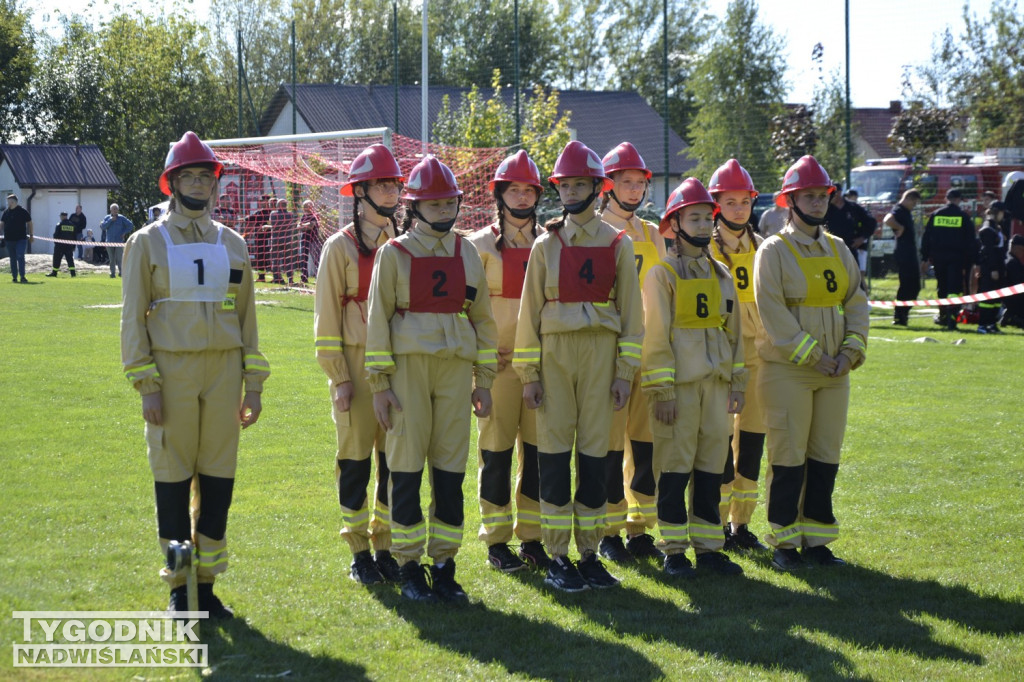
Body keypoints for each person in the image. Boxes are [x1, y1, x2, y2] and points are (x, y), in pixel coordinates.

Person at [120, 131, 270, 617]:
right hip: (172, 371)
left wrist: (253, 384)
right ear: (172, 182)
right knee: (172, 480)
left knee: (218, 480)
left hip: (224, 372)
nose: (200, 185)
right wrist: (147, 385)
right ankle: (178, 588)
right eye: (190, 176)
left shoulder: (233, 243)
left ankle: (205, 587)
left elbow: (246, 316)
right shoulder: (146, 242)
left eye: (207, 177)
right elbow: (131, 318)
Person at [365, 155, 497, 602]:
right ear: (415, 208)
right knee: (405, 465)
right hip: (408, 371)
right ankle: (407, 566)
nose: (444, 211)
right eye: (434, 204)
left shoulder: (467, 253)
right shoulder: (394, 253)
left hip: (456, 371)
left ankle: (444, 565)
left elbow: (482, 318)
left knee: (449, 467)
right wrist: (380, 386)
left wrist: (485, 380)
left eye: (449, 204)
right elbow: (377, 321)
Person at [513, 140, 643, 592]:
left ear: (596, 187)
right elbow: (528, 314)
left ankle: (589, 553)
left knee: (595, 456)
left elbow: (633, 316)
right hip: (555, 359)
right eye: (563, 185)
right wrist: (528, 376)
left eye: (578, 184)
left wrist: (625, 374)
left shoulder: (618, 244)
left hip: (602, 359)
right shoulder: (546, 245)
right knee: (552, 455)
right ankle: (556, 556)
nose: (569, 192)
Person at [753, 155, 869, 571]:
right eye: (809, 196)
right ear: (790, 200)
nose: (818, 203)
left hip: (835, 371)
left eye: (822, 196)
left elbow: (856, 301)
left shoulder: (838, 249)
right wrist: (815, 356)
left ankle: (817, 541)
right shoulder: (773, 250)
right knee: (788, 455)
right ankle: (784, 542)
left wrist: (849, 353)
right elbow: (773, 312)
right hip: (789, 371)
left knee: (824, 455)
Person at [643, 177, 747, 579]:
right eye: (694, 218)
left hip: (717, 388)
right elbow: (655, 337)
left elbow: (734, 333)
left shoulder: (722, 275)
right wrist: (663, 390)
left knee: (710, 467)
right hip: (679, 391)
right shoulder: (662, 275)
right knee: (673, 467)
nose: (704, 225)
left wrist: (737, 384)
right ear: (675, 223)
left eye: (708, 218)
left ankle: (708, 549)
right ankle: (672, 552)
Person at [315, 144, 405, 585]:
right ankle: (358, 550)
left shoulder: (405, 244)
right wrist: (339, 377)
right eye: (381, 184)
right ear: (361, 191)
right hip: (354, 365)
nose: (390, 191)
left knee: (392, 460)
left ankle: (384, 544)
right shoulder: (339, 248)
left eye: (394, 184)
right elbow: (326, 319)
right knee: (354, 460)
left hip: (397, 370)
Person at [467, 150, 549, 574]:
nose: (521, 197)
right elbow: (465, 311)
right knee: (495, 454)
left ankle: (532, 538)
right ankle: (496, 540)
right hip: (496, 369)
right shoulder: (477, 246)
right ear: (499, 195)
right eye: (512, 189)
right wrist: (481, 361)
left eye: (528, 190)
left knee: (536, 455)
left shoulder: (551, 244)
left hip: (541, 371)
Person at [597, 142, 666, 565]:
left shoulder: (655, 234)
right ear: (608, 186)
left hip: (650, 354)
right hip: (607, 355)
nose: (635, 189)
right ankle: (608, 530)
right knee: (608, 446)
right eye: (627, 182)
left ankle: (639, 529)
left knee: (645, 446)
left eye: (640, 183)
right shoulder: (595, 230)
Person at [707, 159, 768, 553]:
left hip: (760, 357)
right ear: (716, 206)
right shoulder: (704, 248)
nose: (739, 210)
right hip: (719, 358)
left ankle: (740, 526)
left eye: (744, 202)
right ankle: (713, 519)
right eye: (730, 202)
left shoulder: (764, 248)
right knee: (718, 440)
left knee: (752, 441)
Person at [921, 188, 976, 330]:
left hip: (938, 258)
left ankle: (943, 315)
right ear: (958, 200)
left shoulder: (936, 214)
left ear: (946, 198)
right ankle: (952, 318)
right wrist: (972, 261)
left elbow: (926, 238)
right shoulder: (963, 216)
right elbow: (970, 241)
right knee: (955, 289)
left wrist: (925, 257)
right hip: (957, 258)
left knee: (942, 287)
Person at [883, 189, 922, 326]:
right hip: (904, 253)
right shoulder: (899, 209)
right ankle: (899, 315)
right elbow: (887, 219)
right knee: (907, 284)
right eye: (914, 202)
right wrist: (900, 228)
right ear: (909, 199)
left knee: (914, 285)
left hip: (909, 252)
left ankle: (904, 313)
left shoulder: (905, 211)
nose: (914, 205)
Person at [825, 183, 876, 282]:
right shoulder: (826, 209)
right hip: (831, 250)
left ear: (839, 193)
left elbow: (871, 222)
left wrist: (862, 238)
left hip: (850, 248)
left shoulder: (853, 207)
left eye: (833, 194)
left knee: (854, 280)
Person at [976, 202, 1008, 334]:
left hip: (998, 265)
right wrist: (994, 269)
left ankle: (991, 323)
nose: (1003, 215)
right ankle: (983, 325)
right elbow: (988, 251)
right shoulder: (988, 228)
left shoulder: (996, 227)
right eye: (1002, 213)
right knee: (987, 298)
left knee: (996, 298)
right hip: (990, 268)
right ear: (997, 212)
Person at [1, 194, 33, 283]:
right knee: (13, 258)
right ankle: (14, 277)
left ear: (13, 202)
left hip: (21, 239)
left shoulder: (23, 211)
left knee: (20, 256)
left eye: (9, 202)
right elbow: (2, 223)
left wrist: (31, 235)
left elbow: (30, 223)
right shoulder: (6, 212)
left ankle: (22, 276)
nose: (8, 204)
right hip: (9, 239)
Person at [100, 203, 135, 278]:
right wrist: (110, 220)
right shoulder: (107, 217)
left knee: (119, 258)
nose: (115, 210)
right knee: (111, 259)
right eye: (114, 209)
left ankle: (121, 272)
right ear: (111, 210)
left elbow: (131, 225)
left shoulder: (121, 218)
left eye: (116, 209)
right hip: (109, 241)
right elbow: (103, 227)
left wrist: (124, 232)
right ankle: (112, 273)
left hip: (119, 241)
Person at [1001, 234, 1024, 329]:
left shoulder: (1007, 258)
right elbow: (1018, 283)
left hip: (1008, 299)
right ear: (1016, 248)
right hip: (1015, 299)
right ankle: (1012, 317)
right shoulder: (1013, 263)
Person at [47, 211, 77, 277]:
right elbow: (75, 236)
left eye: (60, 216)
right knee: (70, 259)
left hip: (60, 246)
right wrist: (74, 246)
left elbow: (55, 235)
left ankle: (54, 273)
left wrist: (56, 244)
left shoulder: (59, 224)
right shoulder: (72, 225)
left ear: (62, 216)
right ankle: (73, 273)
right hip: (69, 246)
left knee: (57, 259)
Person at [298, 200, 321, 284]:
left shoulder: (314, 216)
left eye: (309, 206)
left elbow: (311, 226)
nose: (307, 208)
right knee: (303, 259)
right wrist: (303, 226)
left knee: (317, 260)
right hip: (304, 239)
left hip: (313, 240)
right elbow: (298, 226)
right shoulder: (303, 216)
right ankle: (304, 277)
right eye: (305, 206)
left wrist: (303, 226)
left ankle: (319, 277)